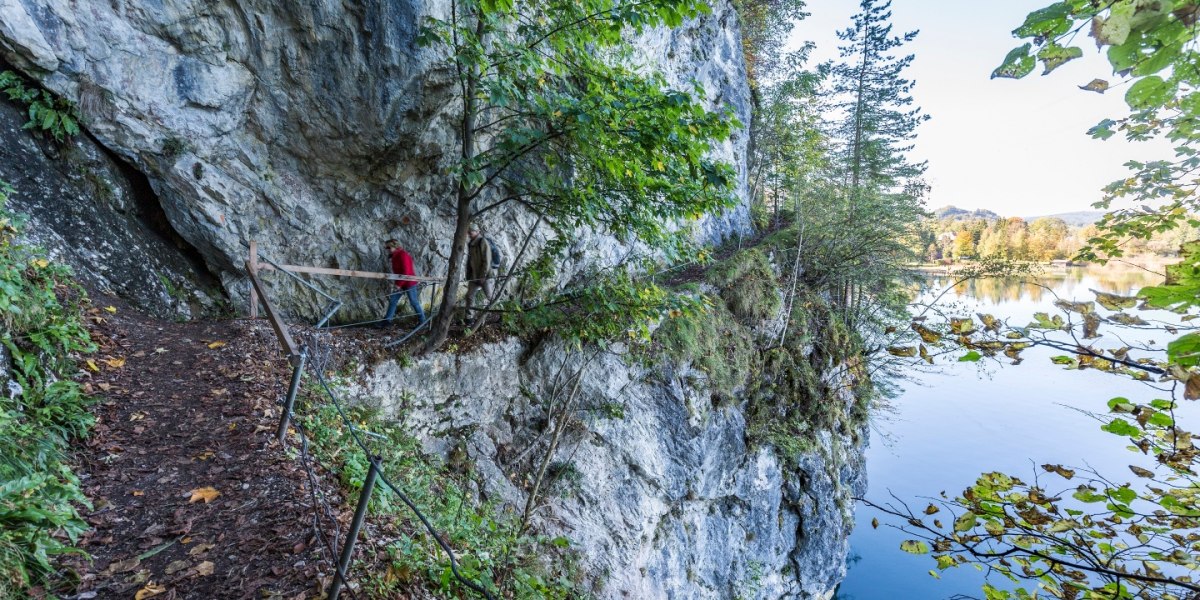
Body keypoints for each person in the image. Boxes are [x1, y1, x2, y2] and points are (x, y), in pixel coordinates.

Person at [382, 239, 426, 326]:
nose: (387, 249)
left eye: (389, 247)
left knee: (414, 302)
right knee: (393, 300)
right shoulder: (395, 256)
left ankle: (423, 322)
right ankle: (387, 321)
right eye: (387, 247)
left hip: (409, 283)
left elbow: (406, 272)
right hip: (402, 283)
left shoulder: (403, 255)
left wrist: (398, 285)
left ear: (395, 246)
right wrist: (399, 283)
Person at [464, 224, 495, 323]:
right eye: (469, 232)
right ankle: (469, 319)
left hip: (484, 276)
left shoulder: (483, 242)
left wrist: (483, 276)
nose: (469, 234)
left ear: (477, 232)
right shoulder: (471, 243)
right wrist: (469, 274)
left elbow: (487, 260)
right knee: (469, 296)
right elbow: (470, 261)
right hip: (474, 275)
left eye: (471, 232)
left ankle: (498, 315)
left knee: (490, 296)